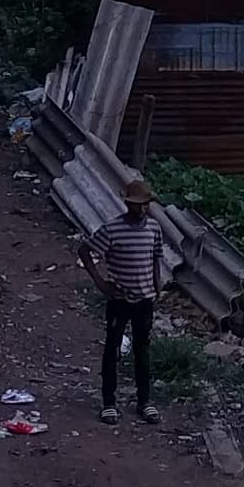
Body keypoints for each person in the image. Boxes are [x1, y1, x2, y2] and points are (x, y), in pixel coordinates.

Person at [80, 180, 165, 423]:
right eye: (138, 205)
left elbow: (156, 256)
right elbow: (85, 251)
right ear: (127, 204)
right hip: (120, 298)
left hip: (145, 299)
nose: (142, 209)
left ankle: (145, 401)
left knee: (142, 350)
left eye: (146, 205)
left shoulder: (154, 228)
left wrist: (157, 284)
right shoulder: (113, 229)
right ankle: (109, 402)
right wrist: (100, 282)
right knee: (112, 348)